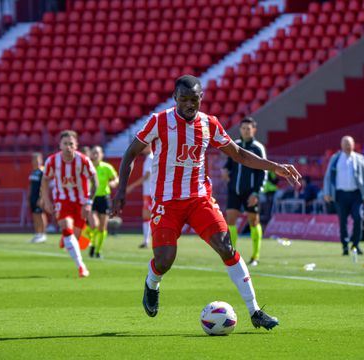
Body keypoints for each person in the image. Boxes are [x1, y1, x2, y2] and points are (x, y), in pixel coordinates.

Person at [111, 75, 301, 331]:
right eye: (184, 100)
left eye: (195, 100)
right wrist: (121, 190)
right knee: (165, 260)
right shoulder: (159, 121)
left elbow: (239, 154)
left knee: (226, 247)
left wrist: (275, 167)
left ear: (201, 99)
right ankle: (152, 283)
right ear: (175, 99)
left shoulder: (209, 124)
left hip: (199, 199)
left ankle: (255, 311)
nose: (190, 105)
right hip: (167, 203)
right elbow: (130, 153)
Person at [41, 130, 98, 278]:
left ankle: (67, 238)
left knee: (76, 237)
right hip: (62, 199)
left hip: (81, 201)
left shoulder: (84, 160)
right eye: (65, 144)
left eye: (71, 144)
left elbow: (95, 182)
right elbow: (45, 180)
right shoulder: (52, 161)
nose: (68, 147)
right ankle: (81, 266)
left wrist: (89, 203)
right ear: (60, 145)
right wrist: (46, 200)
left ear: (76, 145)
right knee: (67, 227)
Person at [221, 116, 267, 267]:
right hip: (234, 190)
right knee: (231, 220)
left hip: (251, 192)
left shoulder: (258, 148)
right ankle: (231, 255)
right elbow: (228, 164)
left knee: (253, 221)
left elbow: (263, 171)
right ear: (240, 130)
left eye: (249, 128)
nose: (246, 131)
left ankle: (255, 256)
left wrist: (256, 192)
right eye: (243, 128)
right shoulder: (236, 145)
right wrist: (225, 171)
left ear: (254, 130)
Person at [323, 136, 364, 255]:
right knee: (343, 221)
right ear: (341, 145)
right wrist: (327, 193)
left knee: (358, 217)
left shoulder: (359, 158)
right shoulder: (335, 158)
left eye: (349, 143)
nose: (347, 146)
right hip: (340, 195)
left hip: (356, 194)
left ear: (353, 145)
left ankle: (355, 244)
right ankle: (345, 245)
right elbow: (328, 176)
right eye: (345, 143)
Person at [89, 145, 119, 258]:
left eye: (98, 153)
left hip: (104, 198)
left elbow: (116, 178)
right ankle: (91, 242)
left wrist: (114, 183)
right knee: (94, 224)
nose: (96, 155)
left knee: (102, 227)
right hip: (91, 198)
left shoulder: (107, 167)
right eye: (94, 152)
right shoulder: (88, 167)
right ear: (91, 155)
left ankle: (97, 250)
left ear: (102, 155)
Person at [126, 146, 153, 248]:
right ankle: (146, 241)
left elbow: (147, 176)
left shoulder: (150, 158)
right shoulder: (148, 158)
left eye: (145, 146)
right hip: (148, 192)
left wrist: (132, 186)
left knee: (149, 216)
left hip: (150, 192)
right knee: (146, 216)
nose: (143, 148)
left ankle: (149, 240)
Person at [28, 152, 47, 244]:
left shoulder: (42, 171)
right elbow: (31, 186)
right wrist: (29, 197)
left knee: (40, 215)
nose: (35, 161)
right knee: (35, 215)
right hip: (33, 196)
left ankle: (43, 234)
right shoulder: (33, 172)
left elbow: (44, 186)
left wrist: (42, 198)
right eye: (34, 159)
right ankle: (38, 233)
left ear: (41, 160)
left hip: (39, 197)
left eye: (37, 159)